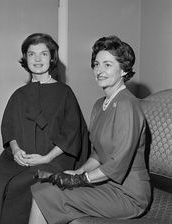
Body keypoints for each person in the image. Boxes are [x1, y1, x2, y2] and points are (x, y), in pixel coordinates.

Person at [28, 35, 152, 224]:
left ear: (124, 70)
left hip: (129, 195)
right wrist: (78, 173)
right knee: (43, 190)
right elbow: (97, 154)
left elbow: (117, 164)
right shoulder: (98, 105)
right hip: (106, 184)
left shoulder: (128, 105)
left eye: (108, 65)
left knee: (48, 195)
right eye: (96, 64)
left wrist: (80, 179)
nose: (100, 71)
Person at [0, 33, 89, 224]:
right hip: (19, 158)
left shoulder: (65, 93)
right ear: (25, 58)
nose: (37, 59)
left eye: (44, 54)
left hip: (55, 158)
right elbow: (9, 128)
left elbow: (72, 132)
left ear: (52, 58)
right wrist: (15, 151)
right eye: (32, 54)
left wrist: (47, 157)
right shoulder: (18, 95)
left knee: (21, 184)